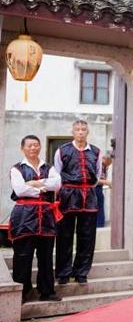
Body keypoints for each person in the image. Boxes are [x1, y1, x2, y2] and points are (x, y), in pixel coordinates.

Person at [9, 135, 62, 303]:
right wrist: (43, 189)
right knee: (23, 255)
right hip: (24, 216)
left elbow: (57, 184)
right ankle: (22, 292)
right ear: (22, 148)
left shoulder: (49, 167)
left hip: (46, 216)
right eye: (30, 146)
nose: (33, 148)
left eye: (36, 145)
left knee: (46, 256)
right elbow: (19, 190)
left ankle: (47, 291)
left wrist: (35, 183)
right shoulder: (16, 169)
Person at [54, 120, 103, 286]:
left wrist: (87, 187)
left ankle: (81, 272)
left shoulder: (96, 151)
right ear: (72, 132)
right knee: (64, 235)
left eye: (83, 129)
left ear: (87, 131)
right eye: (77, 129)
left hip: (89, 196)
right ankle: (63, 273)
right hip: (68, 195)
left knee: (87, 237)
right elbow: (57, 174)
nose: (81, 132)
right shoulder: (62, 150)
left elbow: (96, 176)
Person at [95, 151, 113, 228]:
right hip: (94, 188)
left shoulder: (105, 166)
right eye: (110, 161)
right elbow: (94, 179)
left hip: (99, 188)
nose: (111, 163)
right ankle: (98, 225)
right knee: (98, 206)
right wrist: (107, 182)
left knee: (100, 205)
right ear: (105, 159)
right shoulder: (98, 164)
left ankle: (100, 224)